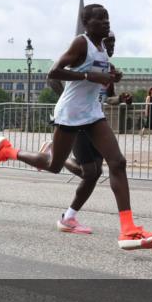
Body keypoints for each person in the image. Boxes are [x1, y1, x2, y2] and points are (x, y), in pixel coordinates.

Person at [0, 4, 152, 251]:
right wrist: (91, 77)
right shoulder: (81, 43)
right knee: (53, 165)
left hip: (92, 114)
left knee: (117, 162)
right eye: (100, 19)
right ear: (86, 24)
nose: (106, 22)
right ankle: (7, 151)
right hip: (70, 114)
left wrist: (111, 79)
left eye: (107, 18)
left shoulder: (102, 50)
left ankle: (128, 229)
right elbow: (55, 72)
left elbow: (99, 83)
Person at [41, 31, 120, 233]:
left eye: (113, 43)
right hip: (76, 118)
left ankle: (69, 216)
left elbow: (109, 97)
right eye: (108, 41)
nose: (111, 46)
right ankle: (52, 154)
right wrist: (68, 98)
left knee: (96, 172)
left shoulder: (107, 66)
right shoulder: (85, 54)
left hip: (94, 117)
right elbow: (52, 77)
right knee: (89, 172)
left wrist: (121, 100)